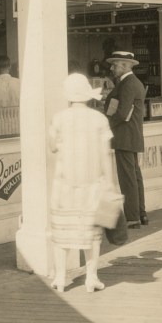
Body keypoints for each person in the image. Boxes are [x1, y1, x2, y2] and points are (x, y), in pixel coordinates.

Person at [47, 73, 118, 293]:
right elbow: (106, 155)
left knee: (62, 233)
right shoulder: (99, 119)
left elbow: (52, 147)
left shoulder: (59, 118)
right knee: (91, 233)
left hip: (65, 183)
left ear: (68, 97)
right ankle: (91, 278)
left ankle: (60, 278)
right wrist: (110, 184)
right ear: (87, 96)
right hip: (92, 183)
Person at [104, 51, 147, 229]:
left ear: (124, 65)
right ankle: (140, 213)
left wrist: (105, 123)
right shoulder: (130, 82)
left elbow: (122, 113)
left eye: (115, 65)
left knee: (127, 178)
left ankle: (132, 218)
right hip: (130, 135)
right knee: (135, 176)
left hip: (124, 136)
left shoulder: (128, 83)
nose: (112, 68)